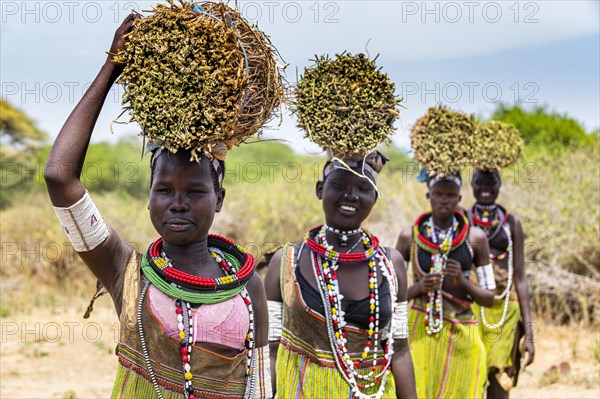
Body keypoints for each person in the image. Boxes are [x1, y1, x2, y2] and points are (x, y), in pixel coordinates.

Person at [44, 15, 271, 399]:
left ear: (219, 199)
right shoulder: (125, 271)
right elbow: (59, 177)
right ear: (149, 194)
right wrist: (112, 66)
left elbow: (262, 390)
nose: (178, 204)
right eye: (164, 189)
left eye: (195, 192)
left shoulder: (248, 286)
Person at [265, 153, 417, 398]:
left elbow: (399, 350)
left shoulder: (391, 264)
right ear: (320, 189)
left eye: (363, 187)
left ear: (375, 197)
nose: (351, 195)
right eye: (339, 185)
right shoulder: (285, 262)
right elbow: (270, 351)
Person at [395, 173, 495, 398]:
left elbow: (489, 298)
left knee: (465, 389)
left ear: (459, 198)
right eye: (438, 194)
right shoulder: (409, 237)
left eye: (450, 195)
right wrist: (419, 288)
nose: (444, 200)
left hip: (463, 330)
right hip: (420, 330)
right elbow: (392, 295)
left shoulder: (475, 239)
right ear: (429, 195)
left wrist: (464, 282)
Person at [469, 169, 535, 398]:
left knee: (500, 380)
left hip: (507, 310)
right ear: (471, 184)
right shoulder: (462, 220)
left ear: (500, 184)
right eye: (479, 181)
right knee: (471, 375)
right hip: (472, 308)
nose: (485, 187)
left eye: (491, 182)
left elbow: (520, 277)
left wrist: (529, 333)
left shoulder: (511, 223)